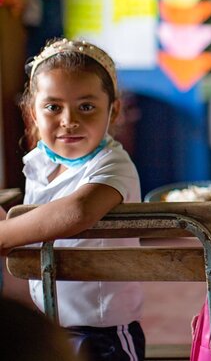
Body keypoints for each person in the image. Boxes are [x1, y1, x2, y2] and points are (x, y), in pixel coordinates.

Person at [0, 38, 145, 361]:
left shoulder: (113, 164)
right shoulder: (40, 161)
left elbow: (77, 211)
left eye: (86, 106)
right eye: (53, 107)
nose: (69, 120)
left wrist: (5, 234)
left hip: (104, 331)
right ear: (32, 112)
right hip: (51, 321)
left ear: (114, 110)